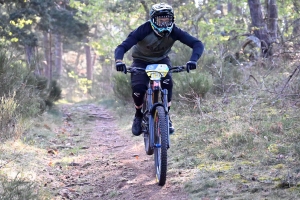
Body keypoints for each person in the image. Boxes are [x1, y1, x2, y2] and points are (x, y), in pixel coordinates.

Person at [114, 3, 204, 136]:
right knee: (138, 89)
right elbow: (122, 47)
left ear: (172, 19)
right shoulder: (143, 30)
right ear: (153, 20)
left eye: (167, 19)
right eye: (160, 20)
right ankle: (138, 115)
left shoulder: (174, 31)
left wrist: (193, 60)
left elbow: (197, 43)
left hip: (161, 60)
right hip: (141, 61)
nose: (164, 23)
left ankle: (166, 117)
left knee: (167, 84)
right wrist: (119, 61)